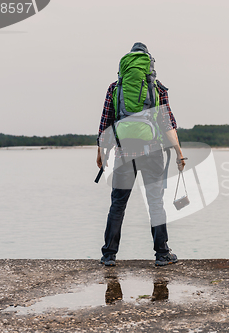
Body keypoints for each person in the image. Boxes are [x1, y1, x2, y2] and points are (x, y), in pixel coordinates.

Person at [96, 42, 186, 267]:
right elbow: (167, 124)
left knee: (118, 204)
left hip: (123, 153)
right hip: (152, 151)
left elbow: (105, 123)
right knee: (155, 203)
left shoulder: (115, 88)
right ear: (149, 65)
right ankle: (162, 254)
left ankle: (109, 255)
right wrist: (179, 153)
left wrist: (101, 152)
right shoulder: (158, 89)